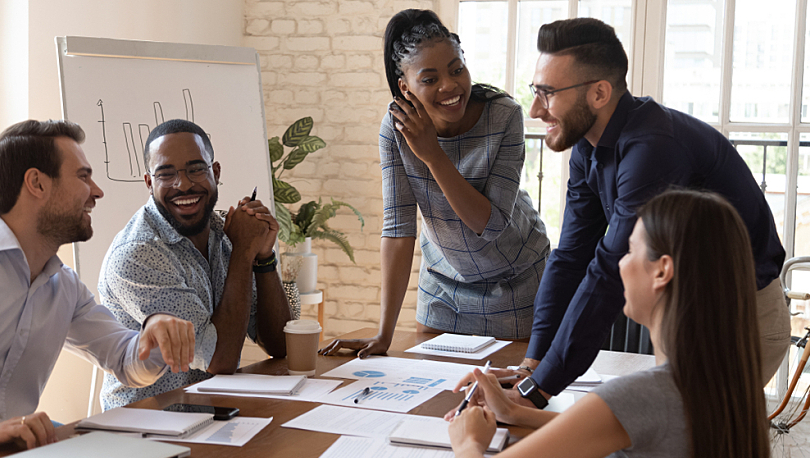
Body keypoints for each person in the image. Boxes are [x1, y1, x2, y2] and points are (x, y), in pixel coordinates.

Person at [476, 17, 789, 405]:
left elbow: (608, 271)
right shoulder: (588, 148)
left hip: (739, 319)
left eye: (548, 92)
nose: (536, 109)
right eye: (535, 90)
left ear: (600, 93)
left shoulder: (652, 149)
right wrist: (533, 365)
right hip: (684, 311)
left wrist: (538, 391)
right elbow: (572, 257)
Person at [448, 189, 771, 458]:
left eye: (630, 250)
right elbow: (618, 427)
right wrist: (515, 413)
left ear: (662, 271)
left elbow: (628, 413)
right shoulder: (723, 385)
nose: (621, 263)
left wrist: (469, 442)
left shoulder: (643, 394)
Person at [320, 9, 551, 358]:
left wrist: (432, 154)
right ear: (405, 86)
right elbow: (398, 229)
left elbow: (488, 224)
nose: (450, 86)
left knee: (505, 401)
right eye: (429, 79)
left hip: (516, 284)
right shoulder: (395, 128)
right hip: (443, 288)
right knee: (432, 401)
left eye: (457, 69)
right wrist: (383, 335)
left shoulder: (504, 116)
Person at [0, 119, 196, 450]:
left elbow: (127, 362)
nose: (97, 191)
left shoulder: (65, 286)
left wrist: (156, 331)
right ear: (37, 183)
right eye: (83, 176)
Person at [98, 119, 292, 409]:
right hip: (148, 426)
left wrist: (263, 258)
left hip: (212, 412)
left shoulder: (222, 231)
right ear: (149, 183)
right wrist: (242, 251)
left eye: (195, 169)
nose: (184, 184)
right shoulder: (138, 253)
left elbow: (281, 345)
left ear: (215, 172)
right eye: (166, 174)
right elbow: (219, 359)